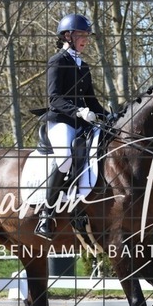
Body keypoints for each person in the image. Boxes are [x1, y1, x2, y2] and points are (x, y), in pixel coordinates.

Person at [35, 14, 108, 240]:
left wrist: (111, 117)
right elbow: (54, 98)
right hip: (60, 120)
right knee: (66, 158)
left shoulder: (83, 67)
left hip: (80, 121)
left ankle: (80, 203)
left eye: (87, 35)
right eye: (81, 35)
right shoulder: (57, 61)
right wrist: (78, 111)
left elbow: (92, 102)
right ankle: (46, 214)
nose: (86, 39)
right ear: (68, 36)